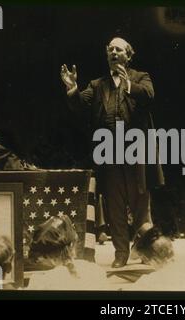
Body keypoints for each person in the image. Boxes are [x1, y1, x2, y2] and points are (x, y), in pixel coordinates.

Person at [61, 37, 164, 268]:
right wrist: (72, 88)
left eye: (119, 49)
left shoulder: (140, 77)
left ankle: (147, 251)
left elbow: (149, 96)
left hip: (136, 152)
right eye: (110, 49)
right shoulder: (98, 85)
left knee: (140, 207)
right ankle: (121, 254)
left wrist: (128, 85)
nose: (113, 52)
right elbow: (79, 105)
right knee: (114, 207)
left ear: (128, 55)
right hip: (109, 154)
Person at [26, 216, 108, 290]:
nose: (37, 261)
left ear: (45, 256)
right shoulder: (96, 272)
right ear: (74, 245)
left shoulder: (41, 282)